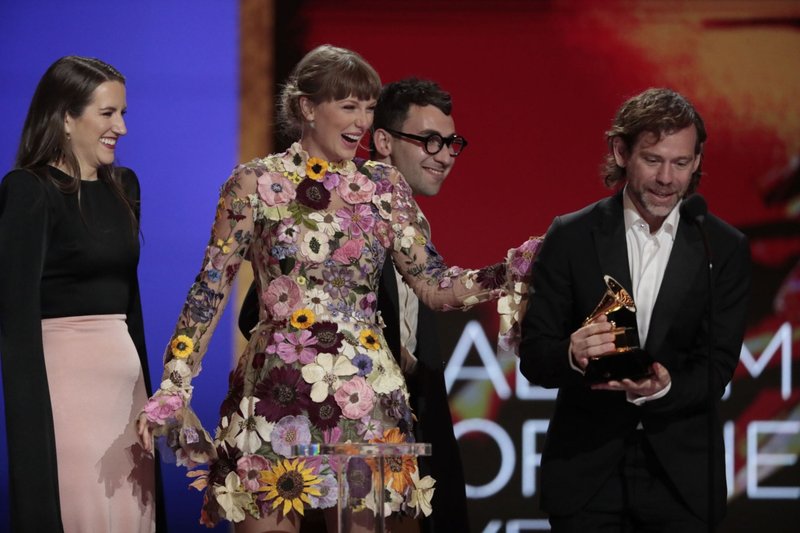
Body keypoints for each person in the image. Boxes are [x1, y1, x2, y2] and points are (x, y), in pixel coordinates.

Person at [138, 45, 538, 533]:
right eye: (349, 107)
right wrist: (174, 383)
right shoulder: (254, 184)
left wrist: (511, 268)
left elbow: (436, 286)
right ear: (308, 108)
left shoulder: (384, 188)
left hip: (363, 398)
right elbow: (209, 290)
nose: (362, 122)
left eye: (369, 109)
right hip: (272, 395)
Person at [519, 88, 751, 532]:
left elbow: (716, 367)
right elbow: (535, 355)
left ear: (697, 161)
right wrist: (572, 352)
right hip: (587, 473)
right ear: (621, 151)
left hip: (681, 478)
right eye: (653, 159)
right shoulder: (572, 235)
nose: (667, 178)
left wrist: (663, 387)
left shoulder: (721, 246)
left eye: (681, 163)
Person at [0, 56, 159, 532]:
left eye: (123, 113)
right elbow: (16, 317)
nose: (122, 127)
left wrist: (149, 399)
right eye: (108, 114)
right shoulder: (30, 191)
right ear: (66, 117)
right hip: (66, 398)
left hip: (126, 400)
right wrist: (30, 432)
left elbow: (130, 306)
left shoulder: (123, 187)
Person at [371, 78, 471, 533]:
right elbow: (259, 311)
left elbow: (436, 292)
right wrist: (378, 355)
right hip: (357, 435)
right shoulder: (335, 214)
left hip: (422, 420)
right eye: (430, 140)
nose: (445, 155)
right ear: (384, 141)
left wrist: (515, 271)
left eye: (452, 143)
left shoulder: (415, 221)